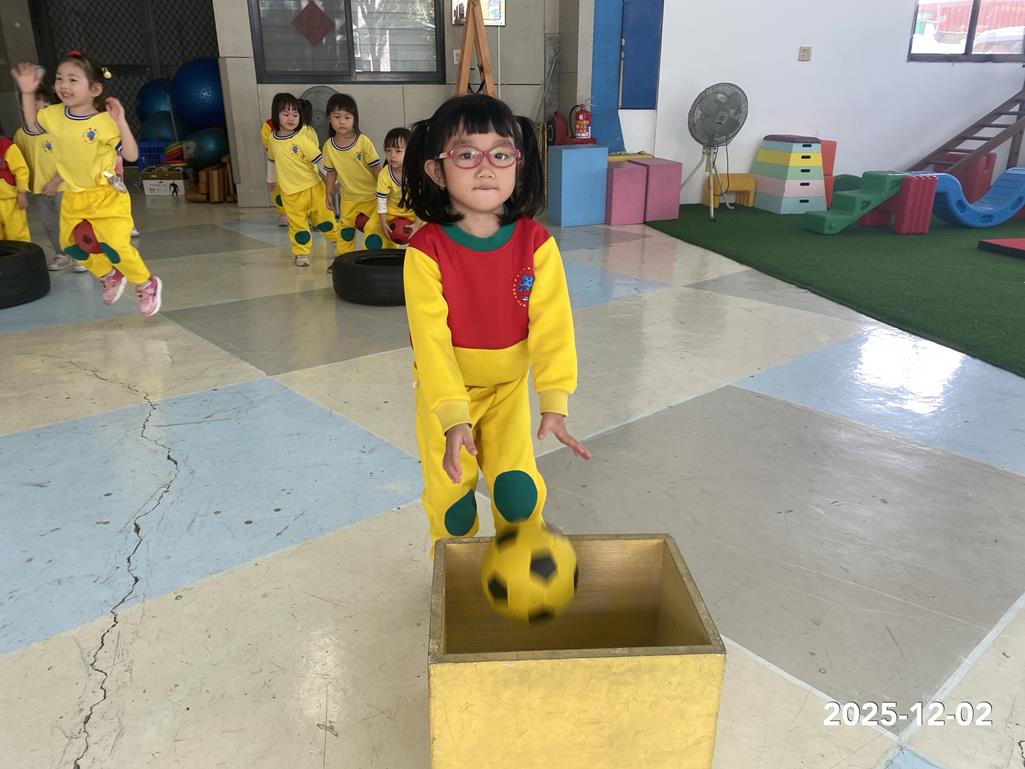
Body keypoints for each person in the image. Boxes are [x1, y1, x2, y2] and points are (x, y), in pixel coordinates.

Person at [401, 94, 591, 552]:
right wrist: (452, 418)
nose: (486, 168)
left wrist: (554, 399)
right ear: (436, 171)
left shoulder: (536, 243)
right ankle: (452, 574)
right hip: (447, 395)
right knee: (453, 505)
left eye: (501, 155)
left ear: (518, 165)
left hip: (508, 391)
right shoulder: (425, 250)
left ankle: (521, 566)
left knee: (517, 493)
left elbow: (553, 326)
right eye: (467, 154)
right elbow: (431, 342)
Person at [10, 52, 162, 315]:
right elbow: (32, 127)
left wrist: (121, 121)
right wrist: (27, 92)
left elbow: (131, 155)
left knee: (115, 247)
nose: (64, 85)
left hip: (106, 197)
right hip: (73, 195)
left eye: (73, 79)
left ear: (95, 89)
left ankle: (146, 283)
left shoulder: (105, 122)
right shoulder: (53, 115)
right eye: (59, 78)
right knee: (73, 246)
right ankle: (109, 276)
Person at [264, 91, 337, 267]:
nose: (291, 118)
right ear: (276, 115)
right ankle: (301, 253)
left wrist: (332, 181)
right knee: (298, 225)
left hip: (314, 188)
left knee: (325, 221)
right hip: (290, 193)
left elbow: (319, 160)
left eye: (295, 115)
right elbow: (271, 160)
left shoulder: (302, 138)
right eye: (286, 114)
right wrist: (271, 180)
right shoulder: (272, 139)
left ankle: (339, 243)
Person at [14, 86, 82, 270]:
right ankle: (62, 254)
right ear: (23, 107)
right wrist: (22, 189)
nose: (41, 109)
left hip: (63, 186)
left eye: (45, 105)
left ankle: (80, 255)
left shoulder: (59, 131)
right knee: (51, 225)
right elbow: (19, 164)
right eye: (34, 104)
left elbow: (71, 160)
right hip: (39, 190)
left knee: (69, 222)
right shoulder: (21, 135)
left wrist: (55, 182)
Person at [322, 93, 383, 254]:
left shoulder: (363, 142)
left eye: (347, 117)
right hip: (348, 199)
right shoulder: (328, 147)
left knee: (374, 230)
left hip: (371, 197)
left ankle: (376, 257)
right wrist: (328, 193)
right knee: (345, 232)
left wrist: (386, 190)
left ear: (354, 119)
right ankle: (343, 259)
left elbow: (376, 169)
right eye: (337, 117)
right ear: (329, 118)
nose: (342, 121)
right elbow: (331, 173)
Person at [375, 126, 419, 247]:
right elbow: (381, 201)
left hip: (414, 211)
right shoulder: (384, 174)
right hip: (391, 211)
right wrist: (383, 222)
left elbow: (421, 200)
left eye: (398, 151)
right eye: (388, 150)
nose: (392, 155)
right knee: (372, 230)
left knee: (429, 231)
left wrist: (417, 223)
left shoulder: (417, 173)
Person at [0, 122, 31, 243]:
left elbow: (21, 170)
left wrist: (22, 192)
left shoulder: (6, 145)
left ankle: (22, 255)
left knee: (17, 234)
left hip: (10, 199)